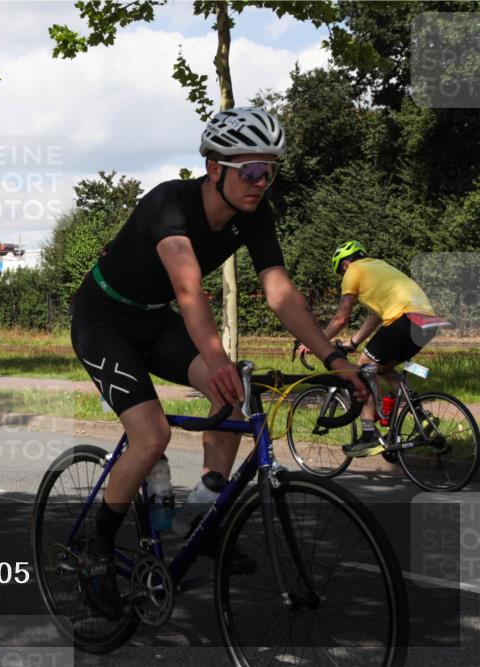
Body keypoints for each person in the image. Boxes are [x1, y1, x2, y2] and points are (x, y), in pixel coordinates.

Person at [69, 107, 368, 621]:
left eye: (269, 171)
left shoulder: (255, 215)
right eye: (250, 171)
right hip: (102, 320)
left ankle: (199, 514)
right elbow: (189, 289)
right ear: (215, 169)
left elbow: (281, 294)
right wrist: (215, 356)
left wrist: (336, 359)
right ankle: (97, 545)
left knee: (235, 395)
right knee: (151, 437)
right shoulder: (169, 203)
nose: (261, 182)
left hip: (153, 321)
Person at [297, 241, 447, 457]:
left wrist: (315, 341)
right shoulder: (379, 267)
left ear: (345, 264)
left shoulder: (353, 271)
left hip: (403, 320)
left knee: (362, 369)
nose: (343, 277)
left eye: (341, 271)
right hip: (427, 323)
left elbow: (341, 318)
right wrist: (354, 342)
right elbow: (376, 316)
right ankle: (423, 418)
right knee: (383, 368)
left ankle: (368, 436)